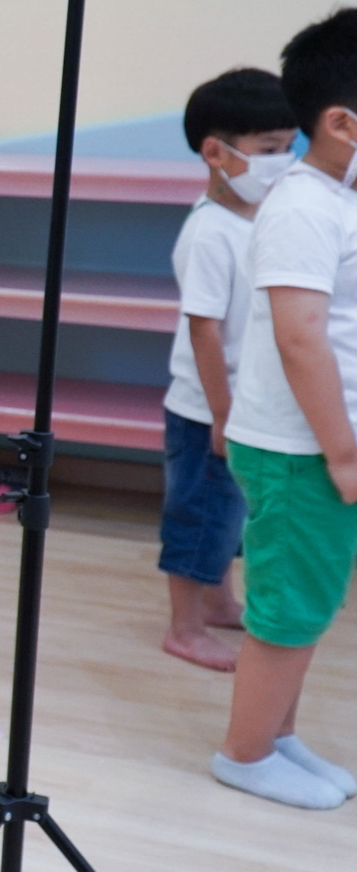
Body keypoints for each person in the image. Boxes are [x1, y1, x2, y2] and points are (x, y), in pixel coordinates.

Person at [214, 8, 357, 810]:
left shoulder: (337, 198)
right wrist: (343, 452)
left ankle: (277, 735)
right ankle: (244, 753)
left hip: (319, 446)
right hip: (303, 451)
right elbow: (300, 337)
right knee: (288, 608)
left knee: (307, 599)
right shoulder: (303, 206)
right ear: (342, 124)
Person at [157, 69, 297, 672]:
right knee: (199, 519)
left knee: (227, 517)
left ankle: (217, 602)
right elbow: (204, 330)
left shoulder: (259, 216)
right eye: (268, 149)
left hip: (246, 405)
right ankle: (184, 628)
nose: (282, 161)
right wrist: (221, 414)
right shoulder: (210, 233)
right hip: (209, 410)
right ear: (216, 153)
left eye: (287, 146)